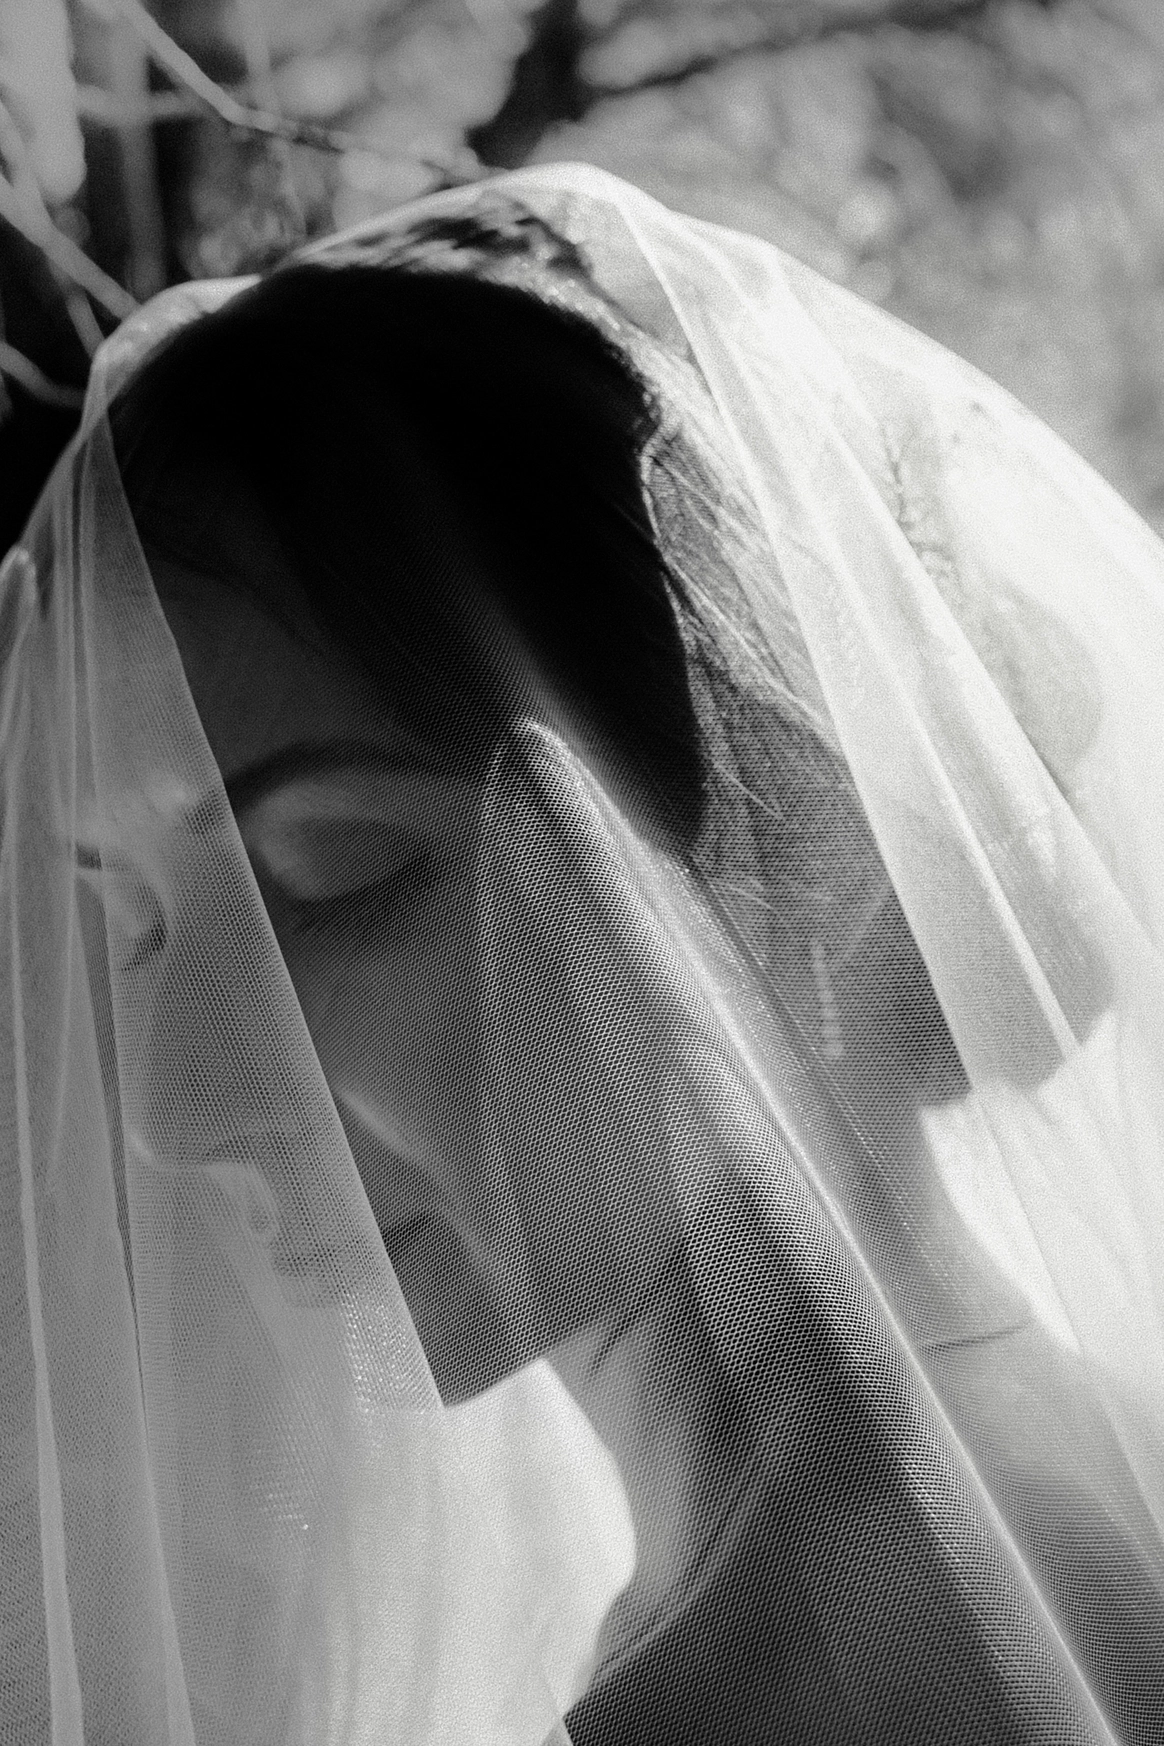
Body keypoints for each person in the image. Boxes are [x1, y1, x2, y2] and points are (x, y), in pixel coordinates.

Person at [6, 162, 1164, 1743]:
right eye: (130, 920)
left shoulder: (807, 1685)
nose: (172, 1102)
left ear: (781, 826)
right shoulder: (1053, 1472)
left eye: (331, 878)